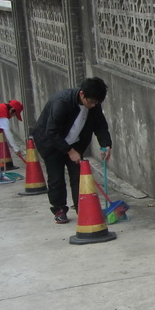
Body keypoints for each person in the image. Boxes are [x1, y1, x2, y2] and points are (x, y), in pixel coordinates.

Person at [32, 77, 112, 224]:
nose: (93, 105)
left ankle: (81, 206)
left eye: (96, 103)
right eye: (91, 102)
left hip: (75, 143)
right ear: (82, 94)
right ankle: (59, 209)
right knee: (56, 178)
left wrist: (106, 145)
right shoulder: (62, 103)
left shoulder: (94, 104)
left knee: (78, 177)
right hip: (51, 143)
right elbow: (52, 131)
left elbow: (100, 125)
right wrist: (69, 151)